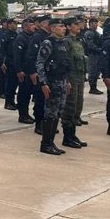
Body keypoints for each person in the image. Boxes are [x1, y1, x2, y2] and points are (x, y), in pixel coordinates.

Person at [36, 18, 71, 155]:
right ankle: (45, 144)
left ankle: (51, 142)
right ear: (52, 28)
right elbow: (40, 63)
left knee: (58, 113)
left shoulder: (62, 43)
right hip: (51, 82)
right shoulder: (48, 42)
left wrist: (67, 81)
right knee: (50, 113)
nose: (64, 29)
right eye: (61, 26)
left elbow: (64, 64)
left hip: (61, 81)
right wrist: (43, 83)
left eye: (64, 26)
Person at [61, 17, 88, 149]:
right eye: (76, 24)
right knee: (70, 106)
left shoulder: (78, 40)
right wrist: (66, 79)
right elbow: (64, 61)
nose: (79, 26)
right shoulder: (66, 41)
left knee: (78, 105)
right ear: (68, 26)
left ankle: (73, 135)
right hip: (71, 76)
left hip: (80, 75)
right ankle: (67, 136)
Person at [24, 14, 52, 134]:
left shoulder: (49, 37)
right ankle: (39, 124)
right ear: (43, 24)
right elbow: (31, 56)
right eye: (48, 23)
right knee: (40, 99)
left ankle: (47, 123)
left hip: (49, 73)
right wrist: (32, 72)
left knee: (48, 101)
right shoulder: (37, 37)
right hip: (39, 73)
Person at [12, 18, 35, 124]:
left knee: (29, 94)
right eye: (31, 25)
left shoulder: (32, 37)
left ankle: (26, 114)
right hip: (24, 71)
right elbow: (17, 56)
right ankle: (22, 115)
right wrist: (19, 70)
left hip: (31, 70)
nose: (33, 26)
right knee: (23, 94)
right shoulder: (20, 38)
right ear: (25, 27)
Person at [0, 18, 17, 107]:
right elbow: (1, 49)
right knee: (9, 82)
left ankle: (12, 101)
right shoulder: (4, 35)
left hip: (14, 61)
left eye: (16, 23)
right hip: (7, 61)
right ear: (8, 24)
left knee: (14, 84)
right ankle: (8, 102)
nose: (15, 25)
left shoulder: (16, 34)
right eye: (13, 23)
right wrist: (2, 62)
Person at [83, 18, 103, 94]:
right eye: (94, 23)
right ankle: (92, 88)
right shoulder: (89, 33)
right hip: (92, 54)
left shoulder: (96, 32)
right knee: (93, 71)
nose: (95, 25)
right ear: (90, 24)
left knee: (97, 71)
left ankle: (94, 87)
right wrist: (99, 49)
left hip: (97, 54)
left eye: (96, 23)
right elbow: (90, 45)